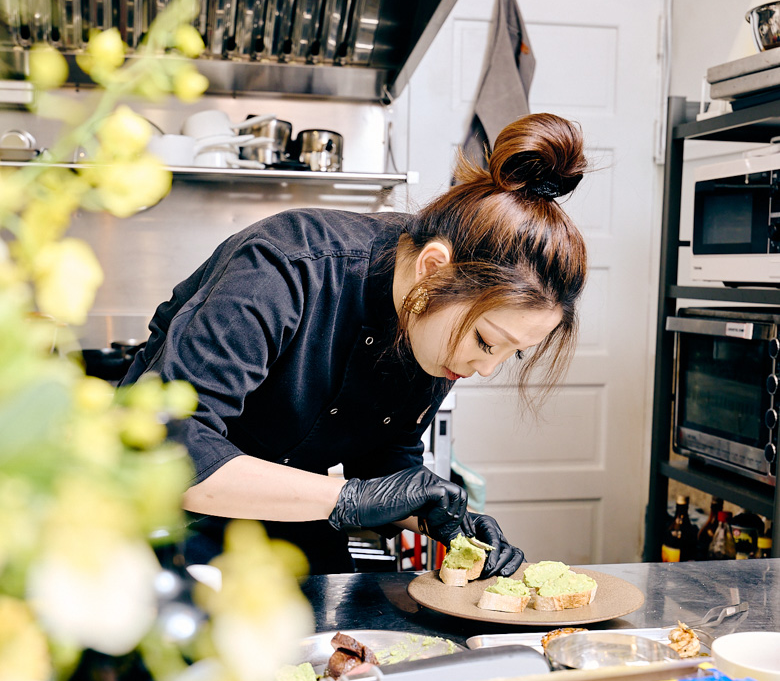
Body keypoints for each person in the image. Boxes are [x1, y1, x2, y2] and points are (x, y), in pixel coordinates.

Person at [122, 111, 588, 574]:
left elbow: (383, 457)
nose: (486, 368)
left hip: (289, 520)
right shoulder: (285, 265)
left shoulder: (433, 328)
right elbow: (173, 448)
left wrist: (439, 516)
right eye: (486, 341)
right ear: (432, 270)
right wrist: (350, 499)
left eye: (513, 351)